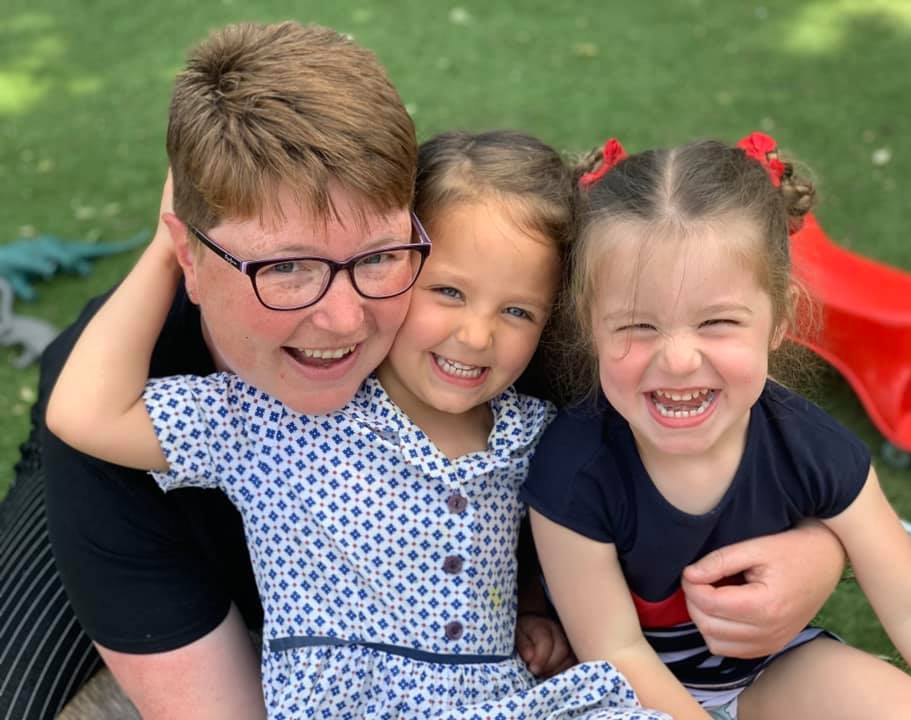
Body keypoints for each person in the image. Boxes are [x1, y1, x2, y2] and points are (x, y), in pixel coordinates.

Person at [0, 20, 845, 720]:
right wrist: (164, 246)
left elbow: (690, 409)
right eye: (286, 267)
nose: (340, 317)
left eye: (378, 256)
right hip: (184, 545)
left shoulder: (507, 335)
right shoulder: (141, 383)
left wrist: (818, 550)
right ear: (192, 252)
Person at [48, 120, 677, 719]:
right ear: (392, 270)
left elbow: (557, 544)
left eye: (518, 311)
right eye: (449, 293)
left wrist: (532, 611)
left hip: (498, 698)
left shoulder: (532, 432)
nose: (477, 335)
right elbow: (86, 413)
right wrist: (173, 247)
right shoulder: (275, 418)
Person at [522, 133, 911, 720]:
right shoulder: (571, 468)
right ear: (590, 326)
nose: (678, 359)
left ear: (779, 320)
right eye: (637, 326)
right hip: (618, 692)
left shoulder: (811, 445)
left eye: (718, 321)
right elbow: (616, 654)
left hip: (771, 670)